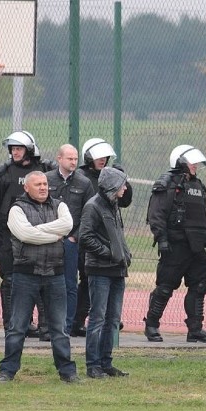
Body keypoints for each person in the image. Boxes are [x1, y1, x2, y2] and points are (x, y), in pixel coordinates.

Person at [0, 172, 78, 383]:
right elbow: (25, 235)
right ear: (27, 187)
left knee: (59, 328)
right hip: (26, 274)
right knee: (17, 326)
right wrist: (53, 235)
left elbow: (67, 226)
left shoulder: (60, 205)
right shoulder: (17, 209)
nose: (43, 187)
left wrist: (37, 231)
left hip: (55, 274)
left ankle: (67, 372)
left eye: (45, 184)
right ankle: (7, 371)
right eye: (38, 184)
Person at [144, 144, 206, 343]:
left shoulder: (199, 186)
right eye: (191, 162)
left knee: (200, 285)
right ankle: (151, 325)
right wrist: (162, 239)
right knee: (165, 287)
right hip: (175, 245)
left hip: (197, 247)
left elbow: (204, 217)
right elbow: (156, 215)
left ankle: (195, 329)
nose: (195, 166)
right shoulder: (167, 184)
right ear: (180, 162)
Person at [0, 130, 48, 333]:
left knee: (36, 279)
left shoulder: (42, 171)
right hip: (7, 235)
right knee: (10, 279)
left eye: (19, 148)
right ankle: (12, 324)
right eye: (13, 149)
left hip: (35, 233)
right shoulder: (5, 173)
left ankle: (32, 324)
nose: (15, 152)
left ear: (29, 150)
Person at [73, 138, 133, 336]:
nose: (102, 160)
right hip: (89, 239)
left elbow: (125, 201)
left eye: (105, 157)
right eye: (98, 156)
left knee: (103, 304)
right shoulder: (80, 177)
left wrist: (123, 179)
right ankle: (78, 320)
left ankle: (102, 322)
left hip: (109, 242)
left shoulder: (112, 178)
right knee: (85, 283)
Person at [79, 166, 132, 378]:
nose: (125, 188)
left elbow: (117, 235)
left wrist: (124, 255)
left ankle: (106, 362)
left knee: (113, 319)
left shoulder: (114, 205)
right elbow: (86, 237)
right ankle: (93, 364)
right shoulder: (93, 207)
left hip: (117, 270)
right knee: (98, 318)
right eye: (122, 184)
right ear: (112, 186)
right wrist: (110, 254)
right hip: (100, 270)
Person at [46, 144, 95, 335]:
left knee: (69, 284)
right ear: (59, 158)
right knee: (48, 283)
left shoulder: (84, 183)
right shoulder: (47, 179)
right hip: (48, 240)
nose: (73, 162)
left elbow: (88, 214)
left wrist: (75, 237)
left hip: (71, 242)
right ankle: (48, 326)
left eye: (75, 159)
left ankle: (65, 326)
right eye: (69, 158)